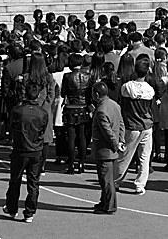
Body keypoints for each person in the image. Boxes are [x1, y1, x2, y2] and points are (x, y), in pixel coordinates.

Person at [3, 82, 48, 224]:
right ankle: (30, 212)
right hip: (35, 150)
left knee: (15, 180)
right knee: (33, 182)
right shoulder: (42, 113)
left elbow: (11, 125)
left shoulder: (17, 110)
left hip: (21, 149)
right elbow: (43, 129)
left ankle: (12, 208)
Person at [115, 58, 155, 195]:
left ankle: (116, 181)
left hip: (131, 125)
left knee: (125, 156)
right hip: (146, 125)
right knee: (144, 157)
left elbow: (122, 102)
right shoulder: (149, 90)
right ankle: (140, 185)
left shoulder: (126, 87)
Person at [91, 82, 125, 215]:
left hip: (105, 150)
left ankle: (109, 206)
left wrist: (116, 145)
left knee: (106, 180)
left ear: (96, 94)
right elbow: (121, 124)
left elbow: (107, 132)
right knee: (107, 178)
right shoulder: (114, 105)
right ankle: (104, 202)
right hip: (112, 149)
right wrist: (121, 141)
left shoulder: (101, 110)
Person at [60, 54, 91, 174]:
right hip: (83, 107)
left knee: (71, 137)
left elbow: (63, 93)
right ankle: (81, 163)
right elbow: (89, 94)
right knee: (82, 136)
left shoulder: (67, 76)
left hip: (70, 107)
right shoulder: (87, 76)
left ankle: (71, 164)